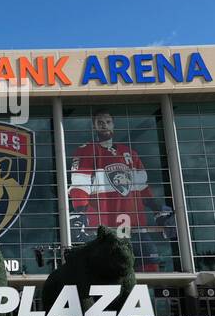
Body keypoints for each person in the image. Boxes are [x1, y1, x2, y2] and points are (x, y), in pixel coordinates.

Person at [67, 110, 174, 271]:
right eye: (100, 122)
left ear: (113, 124)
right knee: (107, 274)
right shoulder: (85, 151)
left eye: (108, 122)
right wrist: (80, 213)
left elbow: (142, 189)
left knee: (150, 267)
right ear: (94, 127)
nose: (105, 125)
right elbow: (79, 186)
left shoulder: (130, 153)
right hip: (104, 229)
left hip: (135, 226)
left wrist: (158, 211)